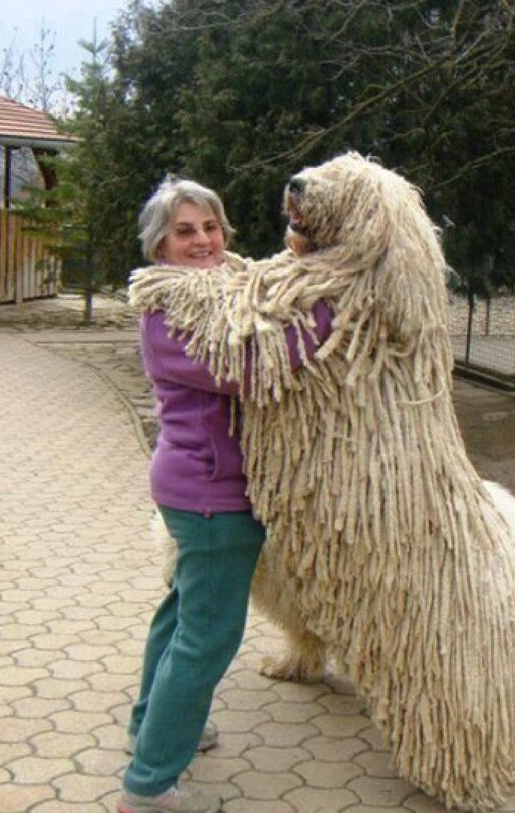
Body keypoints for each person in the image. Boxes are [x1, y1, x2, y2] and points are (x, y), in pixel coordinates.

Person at [118, 177, 333, 813]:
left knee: (182, 611)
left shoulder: (218, 290)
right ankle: (150, 785)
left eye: (210, 227)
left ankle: (148, 725)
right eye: (185, 231)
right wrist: (329, 308)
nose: (203, 240)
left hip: (196, 485)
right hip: (211, 495)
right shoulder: (170, 314)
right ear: (160, 244)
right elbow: (255, 366)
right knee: (208, 636)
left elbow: (258, 302)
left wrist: (304, 265)